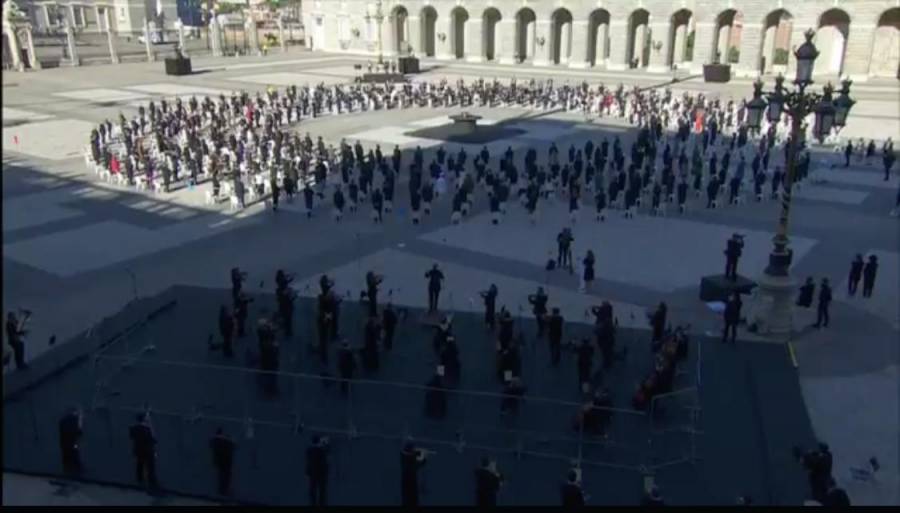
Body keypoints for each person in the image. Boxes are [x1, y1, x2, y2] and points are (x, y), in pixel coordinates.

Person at [129, 413, 158, 488]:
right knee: (150, 467)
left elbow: (131, 437)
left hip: (138, 450)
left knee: (140, 464)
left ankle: (140, 480)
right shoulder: (147, 429)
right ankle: (151, 482)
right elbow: (153, 440)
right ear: (144, 420)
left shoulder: (133, 428)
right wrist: (151, 426)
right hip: (147, 451)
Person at [400, 442, 428, 506]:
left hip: (407, 485)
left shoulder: (403, 457)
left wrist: (419, 453)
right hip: (411, 485)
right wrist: (424, 456)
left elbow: (413, 456)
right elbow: (420, 463)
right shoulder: (410, 462)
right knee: (411, 500)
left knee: (407, 499)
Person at [209, 427, 235, 496]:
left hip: (220, 461)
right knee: (225, 476)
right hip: (225, 461)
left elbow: (211, 445)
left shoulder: (215, 440)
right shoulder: (226, 440)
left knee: (221, 476)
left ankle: (222, 490)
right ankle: (224, 490)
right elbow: (233, 445)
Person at [306, 435, 330, 506]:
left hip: (313, 473)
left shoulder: (309, 451)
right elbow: (325, 460)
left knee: (313, 490)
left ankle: (314, 503)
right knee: (322, 490)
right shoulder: (321, 451)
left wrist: (307, 472)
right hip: (321, 474)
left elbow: (309, 462)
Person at [59, 407, 83, 474]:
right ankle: (76, 469)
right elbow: (78, 432)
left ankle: (67, 469)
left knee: (67, 456)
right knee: (74, 454)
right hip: (71, 442)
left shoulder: (63, 421)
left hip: (65, 443)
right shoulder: (72, 421)